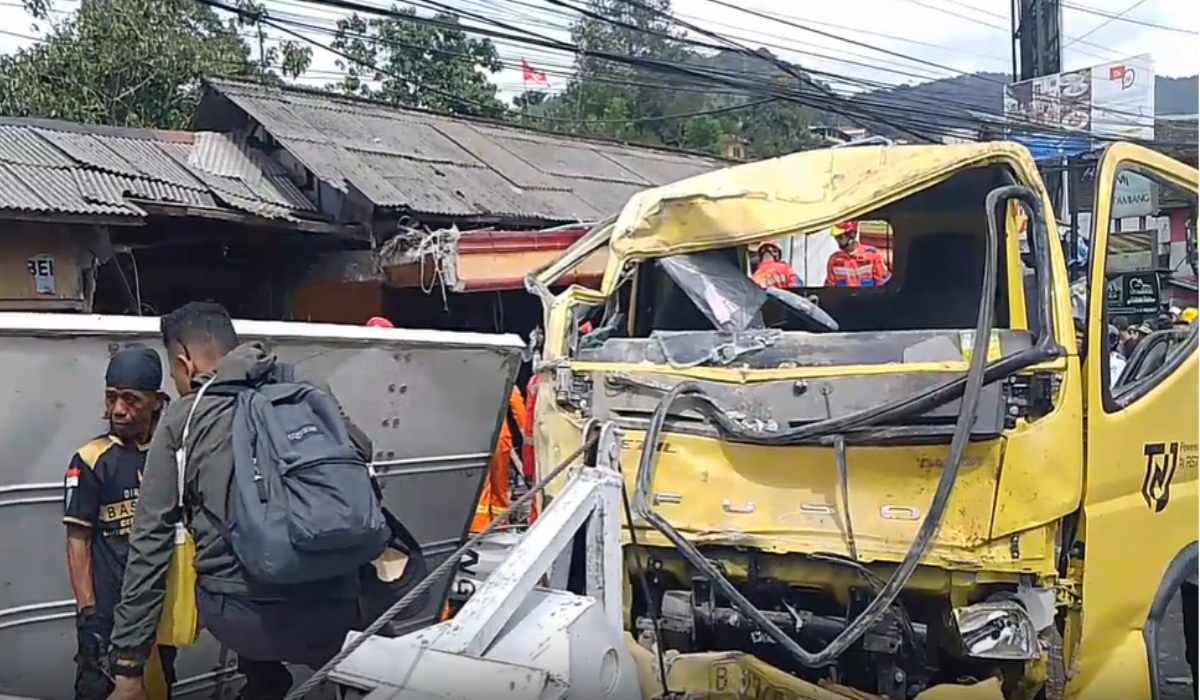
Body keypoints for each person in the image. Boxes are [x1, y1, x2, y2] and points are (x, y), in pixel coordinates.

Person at [107, 302, 375, 700]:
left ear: (184, 362)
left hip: (240, 617)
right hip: (336, 606)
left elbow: (150, 540)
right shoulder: (305, 386)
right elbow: (362, 450)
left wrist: (128, 667)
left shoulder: (186, 416)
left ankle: (265, 681)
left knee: (231, 571)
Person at [65, 347, 175, 700]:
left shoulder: (169, 457)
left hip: (155, 617)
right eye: (111, 397)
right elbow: (78, 541)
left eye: (130, 399)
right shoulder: (91, 459)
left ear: (157, 402)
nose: (117, 409)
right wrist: (87, 617)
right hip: (106, 622)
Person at [471, 386, 528, 533]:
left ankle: (479, 526)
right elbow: (518, 408)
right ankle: (501, 525)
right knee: (499, 485)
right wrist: (528, 437)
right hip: (500, 437)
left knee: (481, 485)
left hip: (476, 436)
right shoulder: (504, 381)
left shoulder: (470, 383)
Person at [825, 221, 891, 288]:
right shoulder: (834, 260)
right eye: (836, 237)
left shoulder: (873, 256)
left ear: (852, 234)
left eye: (840, 237)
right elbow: (830, 288)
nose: (838, 240)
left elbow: (884, 285)